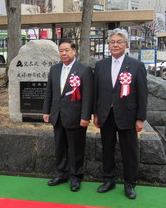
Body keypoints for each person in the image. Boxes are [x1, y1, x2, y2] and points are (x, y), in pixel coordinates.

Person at [93, 28, 148, 199]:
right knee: (107, 149)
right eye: (112, 42)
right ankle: (109, 180)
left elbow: (142, 93)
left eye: (119, 42)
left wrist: (140, 118)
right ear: (108, 44)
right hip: (106, 115)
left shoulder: (136, 66)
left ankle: (130, 184)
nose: (115, 45)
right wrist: (95, 113)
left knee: (129, 152)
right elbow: (97, 91)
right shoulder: (100, 65)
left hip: (128, 116)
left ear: (126, 44)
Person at [43, 40, 93, 192]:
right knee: (60, 147)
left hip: (76, 117)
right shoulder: (55, 69)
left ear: (74, 51)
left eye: (66, 50)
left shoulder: (84, 70)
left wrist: (85, 116)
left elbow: (88, 96)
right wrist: (46, 111)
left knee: (75, 149)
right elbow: (49, 92)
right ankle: (61, 174)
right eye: (61, 51)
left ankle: (76, 177)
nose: (63, 53)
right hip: (57, 116)